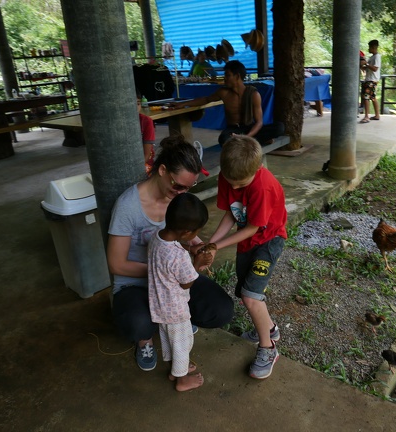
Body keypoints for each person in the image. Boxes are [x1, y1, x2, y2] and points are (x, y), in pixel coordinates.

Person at [107, 135, 234, 372]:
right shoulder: (128, 206)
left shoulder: (177, 200)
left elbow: (187, 238)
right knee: (137, 324)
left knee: (221, 310)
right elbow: (117, 264)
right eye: (178, 185)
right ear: (163, 170)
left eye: (189, 187)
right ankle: (145, 340)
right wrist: (163, 272)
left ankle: (180, 319)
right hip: (136, 284)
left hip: (174, 284)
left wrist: (200, 248)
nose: (182, 193)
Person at [202, 135, 287, 380]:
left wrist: (217, 245)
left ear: (258, 168)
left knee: (250, 296)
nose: (236, 188)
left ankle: (268, 349)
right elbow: (232, 212)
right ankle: (271, 329)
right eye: (232, 183)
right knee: (245, 292)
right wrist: (212, 244)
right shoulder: (228, 177)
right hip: (247, 241)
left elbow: (252, 227)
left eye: (241, 184)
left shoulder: (263, 186)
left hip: (269, 241)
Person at [148, 193, 210, 391]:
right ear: (186, 233)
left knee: (170, 340)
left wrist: (187, 250)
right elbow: (187, 283)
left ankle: (176, 370)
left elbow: (169, 257)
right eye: (196, 233)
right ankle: (182, 380)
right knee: (183, 343)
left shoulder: (157, 238)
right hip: (176, 309)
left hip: (159, 305)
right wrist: (197, 263)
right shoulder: (180, 257)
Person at [171, 60, 284, 146]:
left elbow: (259, 123)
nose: (225, 78)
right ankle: (254, 141)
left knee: (279, 127)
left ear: (237, 76)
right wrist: (182, 104)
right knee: (223, 140)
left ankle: (246, 141)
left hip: (249, 129)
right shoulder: (223, 92)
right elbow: (205, 99)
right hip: (233, 130)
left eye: (228, 75)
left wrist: (246, 137)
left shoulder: (254, 94)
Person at [360, 40, 381, 123]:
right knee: (372, 98)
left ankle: (366, 116)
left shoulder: (377, 57)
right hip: (370, 80)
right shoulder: (372, 57)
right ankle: (377, 115)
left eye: (369, 47)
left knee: (366, 98)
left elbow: (375, 68)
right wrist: (362, 66)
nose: (368, 49)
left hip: (371, 80)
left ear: (373, 47)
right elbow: (368, 68)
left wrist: (367, 64)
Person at [136, 90, 156, 174]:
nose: (136, 107)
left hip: (144, 163)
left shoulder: (146, 121)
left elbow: (147, 155)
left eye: (138, 103)